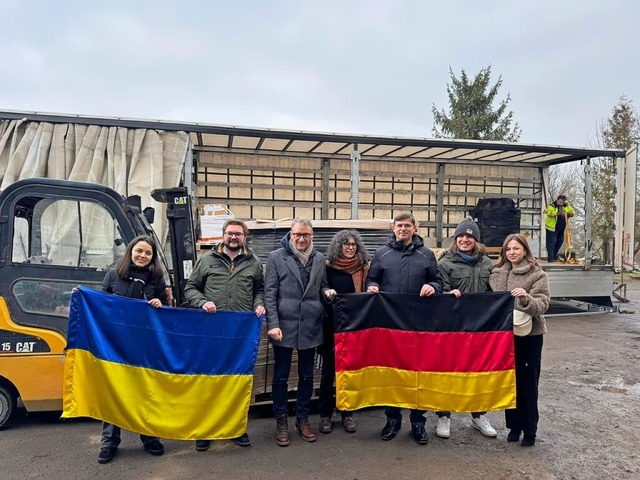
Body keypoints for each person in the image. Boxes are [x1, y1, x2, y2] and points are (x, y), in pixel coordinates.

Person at [183, 219, 265, 451]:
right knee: (209, 380)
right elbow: (190, 288)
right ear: (223, 235)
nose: (233, 238)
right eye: (230, 233)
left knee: (236, 381)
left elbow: (259, 290)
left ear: (244, 237)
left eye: (238, 234)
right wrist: (203, 302)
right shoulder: (207, 260)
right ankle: (206, 429)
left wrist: (259, 305)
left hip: (240, 334)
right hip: (212, 332)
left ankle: (236, 427)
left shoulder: (254, 263)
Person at [366, 212, 442, 445]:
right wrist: (372, 287)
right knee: (393, 373)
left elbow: (439, 282)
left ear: (415, 228)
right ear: (393, 228)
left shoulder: (426, 254)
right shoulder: (381, 254)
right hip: (391, 326)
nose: (403, 229)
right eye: (399, 225)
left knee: (419, 372)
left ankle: (418, 423)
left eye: (407, 225)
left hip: (419, 325)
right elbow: (371, 279)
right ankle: (392, 420)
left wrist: (432, 286)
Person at [97, 235, 168, 464]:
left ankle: (149, 437)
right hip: (115, 346)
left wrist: (160, 305)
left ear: (152, 257)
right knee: (114, 393)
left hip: (143, 346)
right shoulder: (113, 275)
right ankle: (109, 442)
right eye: (139, 251)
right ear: (131, 251)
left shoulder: (157, 280)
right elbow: (99, 304)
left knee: (144, 392)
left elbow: (166, 314)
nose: (143, 256)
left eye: (148, 253)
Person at [264, 217, 332, 447]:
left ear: (312, 236)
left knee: (306, 375)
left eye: (306, 235)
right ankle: (281, 419)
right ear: (290, 235)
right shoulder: (276, 257)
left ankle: (302, 418)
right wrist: (273, 323)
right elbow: (270, 293)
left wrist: (327, 293)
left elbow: (321, 285)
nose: (301, 239)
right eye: (297, 235)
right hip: (284, 325)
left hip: (311, 324)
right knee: (281, 376)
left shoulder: (319, 258)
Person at [434, 216, 498, 439]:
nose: (464, 239)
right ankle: (444, 415)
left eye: (469, 236)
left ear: (476, 240)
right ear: (456, 239)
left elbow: (496, 293)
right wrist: (447, 294)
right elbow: (438, 290)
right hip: (453, 328)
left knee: (478, 372)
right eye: (461, 236)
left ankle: (478, 415)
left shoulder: (487, 264)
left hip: (480, 328)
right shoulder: (444, 264)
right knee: (449, 370)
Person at [489, 234, 550, 447]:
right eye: (508, 249)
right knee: (510, 383)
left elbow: (543, 304)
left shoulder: (537, 274)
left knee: (528, 383)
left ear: (525, 250)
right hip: (505, 337)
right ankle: (514, 426)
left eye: (516, 248)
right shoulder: (496, 274)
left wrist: (526, 298)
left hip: (530, 336)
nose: (512, 252)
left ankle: (530, 429)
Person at [318, 229, 370, 435]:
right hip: (331, 326)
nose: (350, 247)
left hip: (355, 328)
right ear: (338, 246)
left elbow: (370, 290)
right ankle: (324, 414)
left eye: (353, 245)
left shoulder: (363, 268)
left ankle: (347, 412)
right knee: (328, 373)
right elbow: (320, 289)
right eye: (346, 244)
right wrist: (326, 292)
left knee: (350, 373)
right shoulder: (328, 267)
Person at [545, 195, 574, 262]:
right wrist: (557, 213)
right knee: (551, 243)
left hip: (561, 228)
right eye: (560, 202)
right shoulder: (552, 206)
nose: (561, 204)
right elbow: (549, 212)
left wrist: (569, 214)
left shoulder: (566, 206)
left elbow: (572, 212)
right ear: (557, 200)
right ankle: (551, 258)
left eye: (562, 203)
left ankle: (554, 256)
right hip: (552, 228)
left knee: (560, 241)